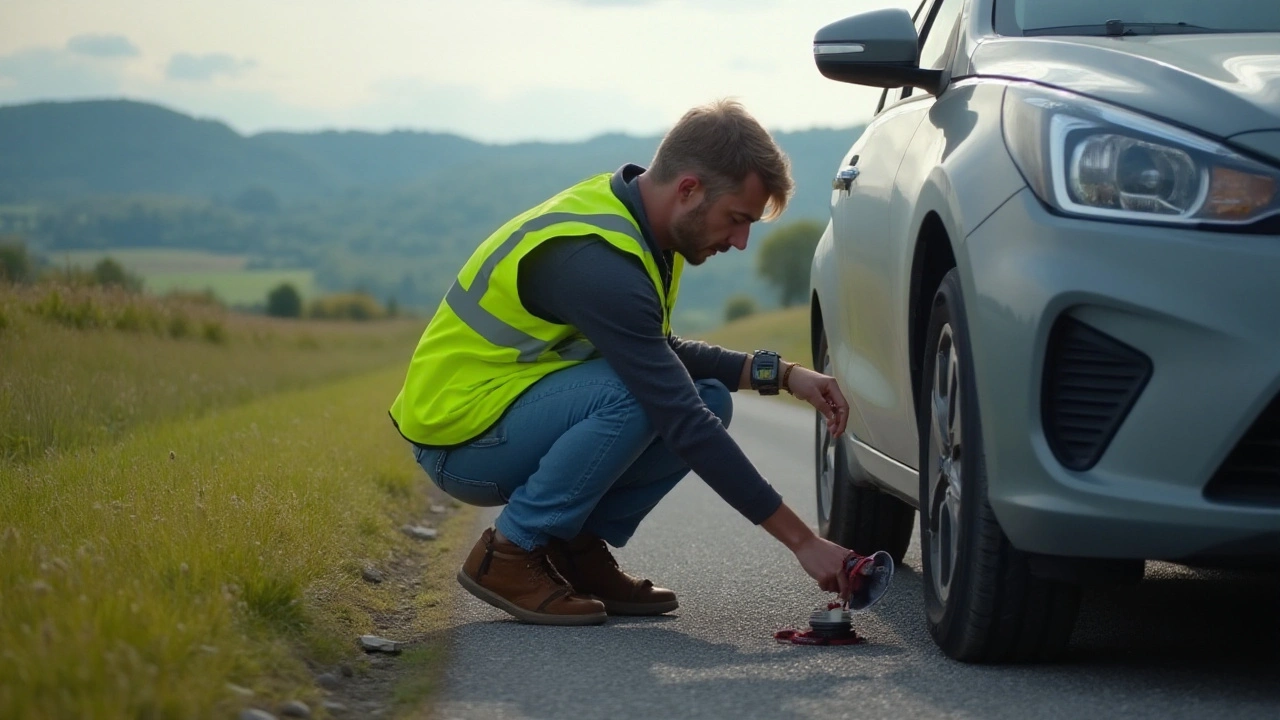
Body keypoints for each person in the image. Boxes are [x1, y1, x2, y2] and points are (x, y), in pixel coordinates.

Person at [389, 98, 854, 626]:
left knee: (709, 397)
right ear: (688, 190)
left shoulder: (640, 229)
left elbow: (657, 352)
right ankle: (510, 553)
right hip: (460, 437)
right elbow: (671, 407)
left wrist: (784, 375)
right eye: (737, 219)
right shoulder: (595, 258)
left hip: (506, 416)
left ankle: (572, 547)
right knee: (646, 397)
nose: (741, 241)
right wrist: (803, 542)